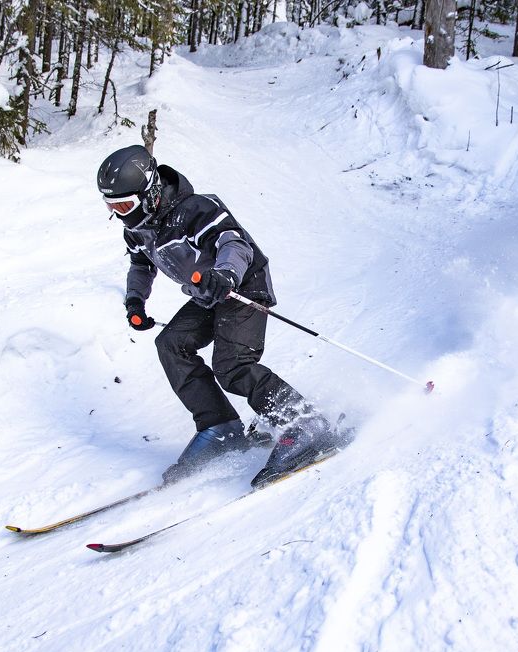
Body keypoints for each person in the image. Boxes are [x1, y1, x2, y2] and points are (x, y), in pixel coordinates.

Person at [97, 144, 345, 488]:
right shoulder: (138, 228)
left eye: (125, 205)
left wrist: (226, 274)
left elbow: (234, 243)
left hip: (241, 285)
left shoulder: (196, 209)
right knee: (171, 344)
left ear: (150, 192)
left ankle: (305, 422)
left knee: (232, 366)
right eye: (112, 207)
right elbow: (140, 264)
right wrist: (135, 302)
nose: (121, 214)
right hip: (207, 293)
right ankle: (219, 427)